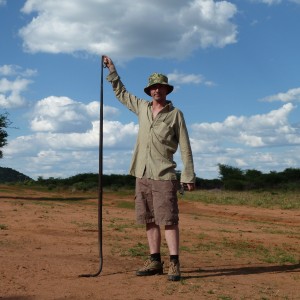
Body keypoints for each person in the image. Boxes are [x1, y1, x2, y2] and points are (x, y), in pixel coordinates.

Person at [103, 55, 195, 281]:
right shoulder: (142, 108)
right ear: (149, 91)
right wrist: (112, 70)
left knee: (169, 220)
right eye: (153, 88)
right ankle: (155, 260)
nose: (157, 91)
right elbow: (122, 94)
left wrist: (188, 175)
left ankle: (174, 263)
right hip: (142, 173)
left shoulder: (175, 115)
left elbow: (185, 146)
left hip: (164, 174)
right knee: (149, 218)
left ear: (167, 90)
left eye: (160, 87)